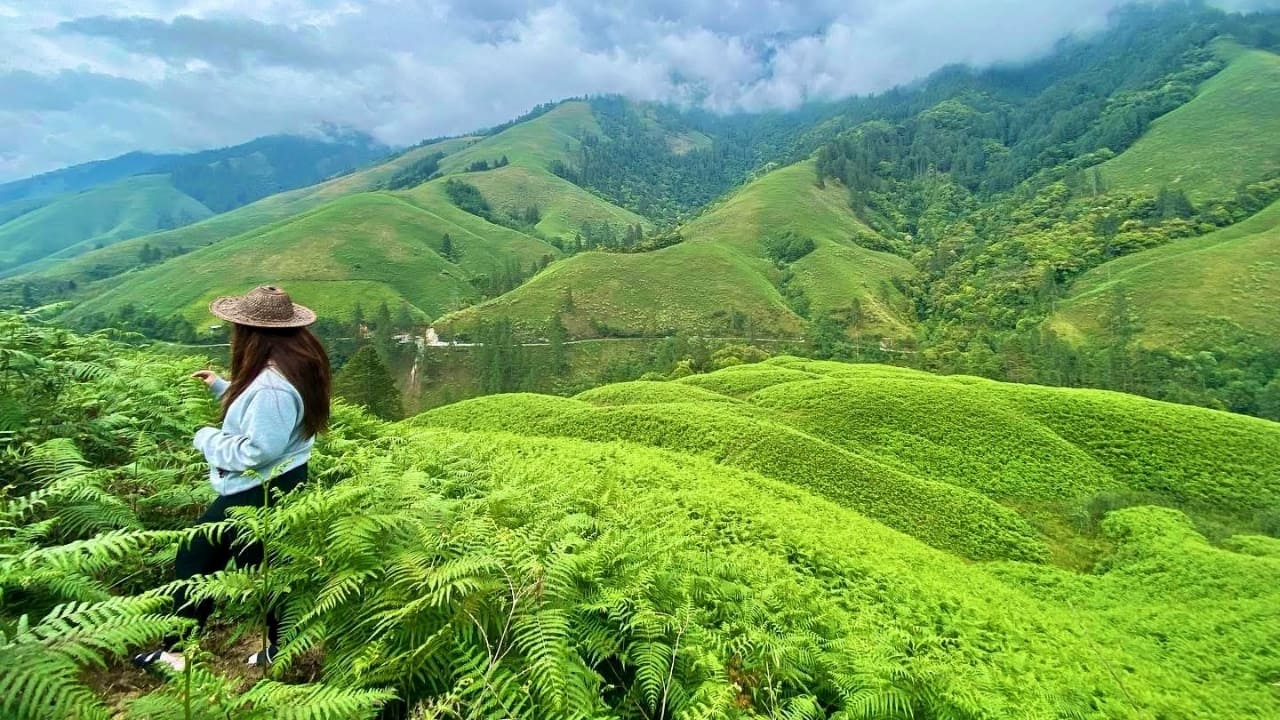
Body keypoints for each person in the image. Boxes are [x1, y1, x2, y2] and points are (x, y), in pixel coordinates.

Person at [134, 285, 331, 672]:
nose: (233, 333)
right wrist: (222, 388)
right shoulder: (289, 369)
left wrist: (206, 439)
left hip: (256, 490)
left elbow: (259, 449)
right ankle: (281, 648)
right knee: (265, 570)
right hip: (282, 482)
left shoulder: (271, 386)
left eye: (237, 327)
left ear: (253, 334)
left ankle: (178, 653)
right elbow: (266, 416)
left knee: (197, 558)